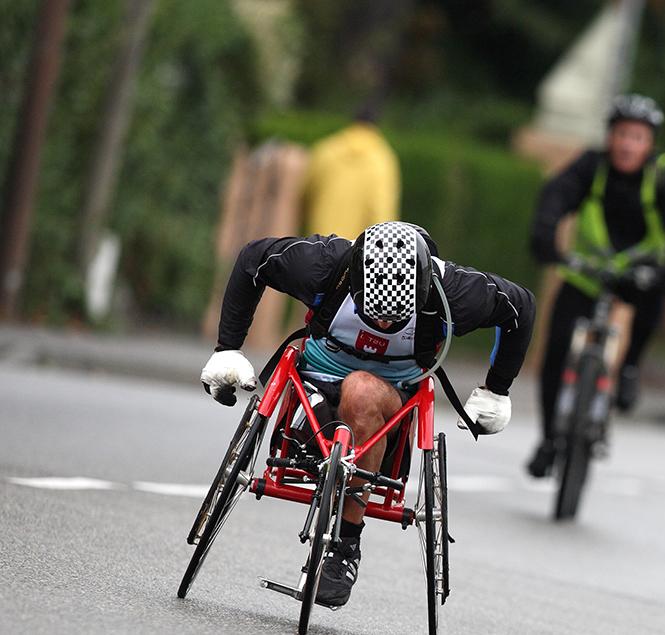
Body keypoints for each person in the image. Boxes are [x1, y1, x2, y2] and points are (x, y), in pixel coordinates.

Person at [199, 221, 535, 607]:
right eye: (373, 314)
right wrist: (228, 347)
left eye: (394, 319)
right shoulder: (324, 264)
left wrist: (496, 389)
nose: (383, 326)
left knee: (360, 390)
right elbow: (252, 260)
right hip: (318, 374)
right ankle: (317, 445)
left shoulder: (456, 292)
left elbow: (521, 307)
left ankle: (344, 547)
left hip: (392, 394)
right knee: (319, 418)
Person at [525, 94, 665, 478]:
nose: (627, 144)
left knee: (651, 301)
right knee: (556, 348)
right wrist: (547, 239)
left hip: (640, 274)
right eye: (621, 134)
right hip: (587, 271)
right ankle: (548, 439)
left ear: (650, 143)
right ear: (610, 137)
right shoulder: (592, 166)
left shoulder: (664, 176)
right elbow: (555, 197)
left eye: (637, 137)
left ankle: (630, 368)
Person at [301, 103, 400, 239]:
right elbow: (382, 211)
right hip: (355, 249)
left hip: (319, 242)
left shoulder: (326, 150)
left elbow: (305, 193)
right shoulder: (382, 160)